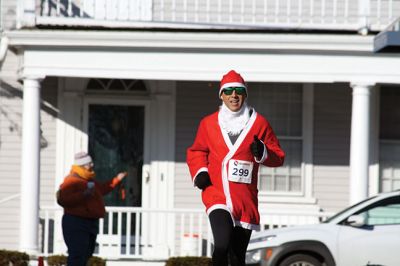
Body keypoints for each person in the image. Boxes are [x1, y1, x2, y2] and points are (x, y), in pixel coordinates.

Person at [186, 70, 285, 266]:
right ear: (221, 95)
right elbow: (197, 151)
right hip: (217, 194)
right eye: (228, 91)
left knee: (237, 256)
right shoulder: (208, 123)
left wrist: (263, 151)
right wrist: (200, 172)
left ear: (245, 94)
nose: (234, 95)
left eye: (238, 91)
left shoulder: (259, 124)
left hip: (245, 199)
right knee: (222, 244)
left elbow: (278, 156)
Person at [56, 151, 127, 266]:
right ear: (82, 166)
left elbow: (103, 189)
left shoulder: (89, 180)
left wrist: (116, 180)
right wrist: (84, 194)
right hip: (76, 222)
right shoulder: (71, 181)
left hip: (90, 222)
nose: (92, 165)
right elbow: (63, 200)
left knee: (86, 255)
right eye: (89, 163)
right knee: (77, 255)